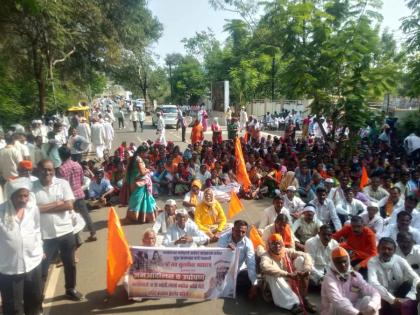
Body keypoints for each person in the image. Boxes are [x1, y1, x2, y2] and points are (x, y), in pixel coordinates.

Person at [32, 159, 83, 301]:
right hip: (44, 235)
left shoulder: (62, 184)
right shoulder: (31, 188)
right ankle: (38, 295)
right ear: (38, 171)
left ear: (54, 170)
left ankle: (70, 289)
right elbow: (32, 210)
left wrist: (41, 208)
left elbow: (69, 206)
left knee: (70, 263)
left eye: (50, 170)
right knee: (42, 268)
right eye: (44, 169)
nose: (47, 172)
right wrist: (56, 204)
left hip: (65, 231)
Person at [0, 178, 43, 315]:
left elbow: (37, 229)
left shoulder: (32, 209)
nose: (24, 199)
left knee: (35, 300)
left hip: (33, 263)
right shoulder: (1, 212)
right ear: (11, 196)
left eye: (26, 195)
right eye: (20, 196)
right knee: (14, 308)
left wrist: (40, 248)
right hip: (10, 268)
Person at [259, 233, 316, 314]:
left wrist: (306, 270)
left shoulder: (286, 251)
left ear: (282, 243)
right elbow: (264, 267)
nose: (277, 246)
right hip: (276, 285)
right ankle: (293, 304)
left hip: (291, 280)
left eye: (279, 243)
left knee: (301, 259)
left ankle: (303, 298)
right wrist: (287, 274)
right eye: (273, 243)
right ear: (269, 244)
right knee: (271, 273)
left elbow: (306, 255)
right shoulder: (266, 255)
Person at [321, 246, 381, 315]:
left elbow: (374, 292)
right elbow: (337, 301)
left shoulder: (354, 275)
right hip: (334, 312)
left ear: (348, 260)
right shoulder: (329, 278)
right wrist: (357, 313)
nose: (343, 265)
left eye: (345, 261)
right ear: (333, 264)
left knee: (369, 301)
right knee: (337, 305)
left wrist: (372, 307)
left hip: (354, 309)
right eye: (339, 262)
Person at [368, 237, 420, 315]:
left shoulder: (400, 260)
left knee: (409, 283)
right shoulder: (372, 261)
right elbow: (373, 283)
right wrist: (392, 300)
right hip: (382, 295)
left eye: (389, 249)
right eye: (383, 248)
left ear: (394, 251)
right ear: (378, 249)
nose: (386, 251)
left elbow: (416, 278)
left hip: (399, 293)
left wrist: (409, 297)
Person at [58, 146, 96, 242]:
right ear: (70, 154)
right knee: (85, 215)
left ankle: (77, 238)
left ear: (60, 156)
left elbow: (63, 185)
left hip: (69, 197)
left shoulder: (61, 169)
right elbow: (81, 180)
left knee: (73, 218)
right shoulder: (77, 165)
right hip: (79, 193)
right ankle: (93, 233)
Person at [218, 220, 259, 299]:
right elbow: (218, 257)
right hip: (223, 269)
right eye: (237, 231)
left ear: (246, 232)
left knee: (249, 278)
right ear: (233, 230)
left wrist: (254, 284)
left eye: (243, 232)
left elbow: (251, 263)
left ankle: (233, 286)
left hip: (238, 270)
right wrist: (226, 250)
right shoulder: (223, 238)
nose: (240, 234)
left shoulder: (248, 243)